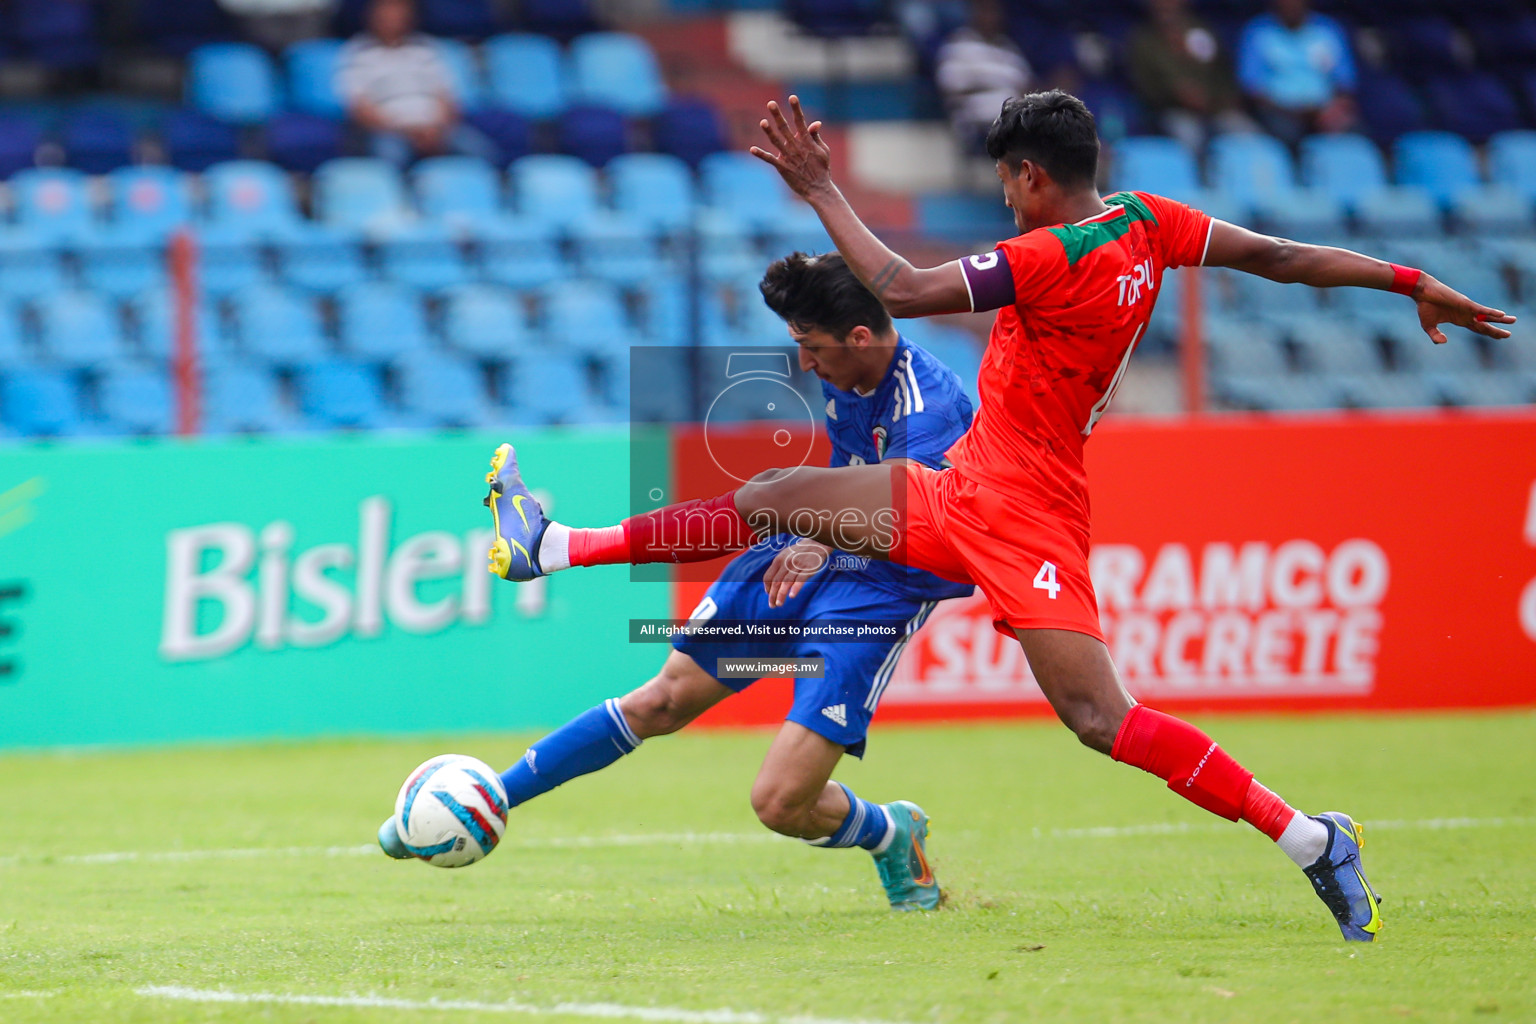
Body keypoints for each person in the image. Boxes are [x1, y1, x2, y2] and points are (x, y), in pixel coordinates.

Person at [481, 90, 1518, 942]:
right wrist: (1411, 279)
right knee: (772, 499)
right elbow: (1284, 258)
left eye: (1005, 183)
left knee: (1100, 720)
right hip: (954, 489)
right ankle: (554, 544)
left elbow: (897, 282)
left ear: (1028, 176)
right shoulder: (1154, 222)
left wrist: (819, 187)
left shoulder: (1050, 255)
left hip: (1027, 516)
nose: (1005, 200)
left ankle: (1311, 838)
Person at [382, 252, 977, 912]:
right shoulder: (851, 369)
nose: (805, 365)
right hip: (806, 548)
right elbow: (851, 476)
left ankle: (891, 832)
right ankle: (483, 800)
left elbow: (912, 517)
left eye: (810, 348)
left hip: (877, 593)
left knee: (779, 803)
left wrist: (821, 537)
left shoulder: (933, 417)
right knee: (660, 701)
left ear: (859, 338)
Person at [335, 0, 498, 167]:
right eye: (386, 15)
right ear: (372, 17)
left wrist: (435, 129)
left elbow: (446, 97)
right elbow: (360, 108)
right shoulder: (356, 52)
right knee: (391, 155)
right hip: (389, 130)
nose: (393, 19)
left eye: (399, 14)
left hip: (436, 128)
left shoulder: (427, 47)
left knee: (479, 151)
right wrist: (407, 131)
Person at [1128, 0, 1254, 151]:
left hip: (1215, 107)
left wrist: (1217, 99)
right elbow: (1143, 86)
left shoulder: (1201, 31)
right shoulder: (1143, 41)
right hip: (1171, 110)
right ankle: (1198, 175)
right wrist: (1176, 95)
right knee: (1189, 134)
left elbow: (1222, 72)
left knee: (1245, 131)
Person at [1236, 0, 1357, 143]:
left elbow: (1345, 81)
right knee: (1286, 132)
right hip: (1279, 111)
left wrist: (1333, 109)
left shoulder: (1327, 29)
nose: (1291, 5)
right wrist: (1292, 112)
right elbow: (1252, 87)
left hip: (1324, 110)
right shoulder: (1258, 31)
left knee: (1354, 132)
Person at [934, 0, 1033, 152]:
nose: (990, 17)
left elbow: (1026, 86)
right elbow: (951, 88)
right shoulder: (958, 46)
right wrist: (999, 87)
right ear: (974, 13)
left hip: (1014, 122)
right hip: (977, 123)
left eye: (994, 12)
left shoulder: (1009, 49)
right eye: (985, 11)